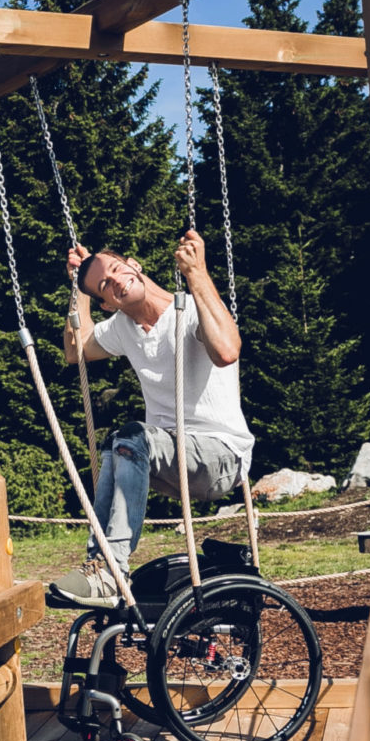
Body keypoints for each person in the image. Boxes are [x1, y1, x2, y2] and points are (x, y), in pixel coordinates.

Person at [48, 230, 254, 608]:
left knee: (132, 438)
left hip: (223, 457)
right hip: (172, 463)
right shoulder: (123, 329)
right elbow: (75, 350)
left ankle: (111, 569)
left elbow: (226, 351)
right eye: (104, 287)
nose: (114, 282)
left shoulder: (190, 309)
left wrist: (197, 273)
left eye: (115, 270)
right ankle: (103, 565)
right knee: (116, 444)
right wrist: (79, 286)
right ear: (108, 305)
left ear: (134, 266)